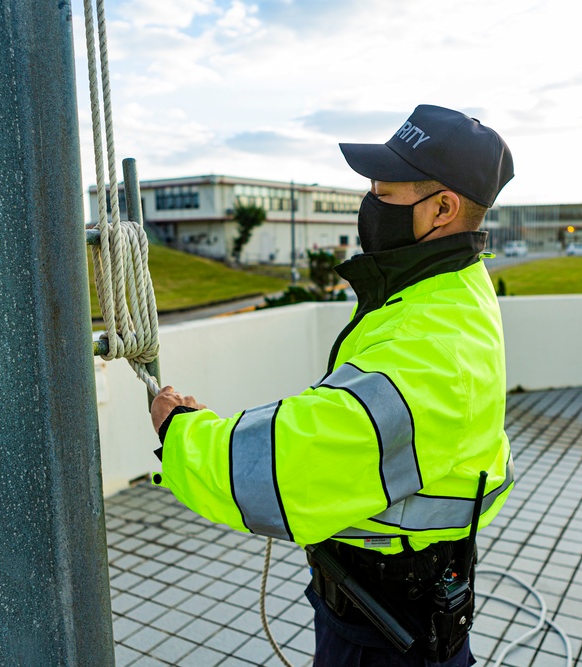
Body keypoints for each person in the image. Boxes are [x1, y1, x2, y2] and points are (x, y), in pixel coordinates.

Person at [149, 104, 515, 666]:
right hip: (392, 611)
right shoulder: (446, 289)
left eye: (384, 193)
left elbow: (296, 464)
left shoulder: (432, 343)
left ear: (443, 207)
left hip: (388, 635)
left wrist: (182, 433)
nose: (369, 204)